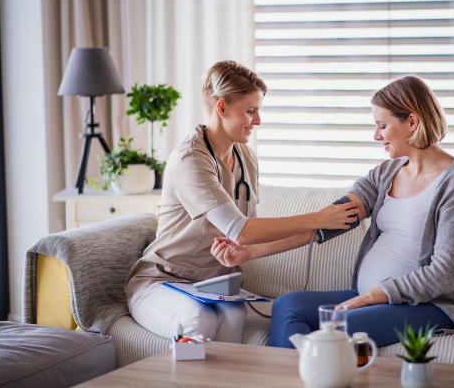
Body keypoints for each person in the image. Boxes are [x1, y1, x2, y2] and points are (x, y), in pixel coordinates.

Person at [211, 75, 454, 348]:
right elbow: (328, 222)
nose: (376, 135)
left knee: (342, 323)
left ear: (412, 122)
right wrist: (250, 252)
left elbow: (443, 274)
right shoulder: (386, 173)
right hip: (370, 298)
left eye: (382, 125)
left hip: (431, 306)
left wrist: (371, 297)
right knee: (288, 305)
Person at [124, 60, 359, 344]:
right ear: (222, 108)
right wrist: (319, 218)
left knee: (234, 317)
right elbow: (242, 229)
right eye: (250, 111)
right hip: (163, 281)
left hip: (214, 284)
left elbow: (247, 240)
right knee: (199, 320)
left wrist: (318, 229)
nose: (258, 121)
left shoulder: (246, 157)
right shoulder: (191, 159)